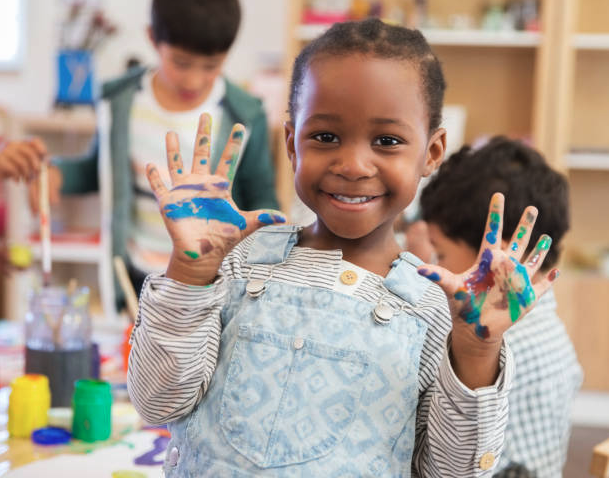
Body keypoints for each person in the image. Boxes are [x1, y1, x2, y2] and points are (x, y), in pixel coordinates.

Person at [128, 19, 559, 476]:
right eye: (326, 137)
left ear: (431, 153)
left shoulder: (435, 309)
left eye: (387, 141)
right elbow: (157, 401)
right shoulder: (237, 262)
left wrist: (474, 351)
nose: (353, 165)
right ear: (292, 143)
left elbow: (455, 472)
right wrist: (189, 276)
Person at [31, 0, 279, 299]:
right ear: (152, 38)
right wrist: (57, 173)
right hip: (137, 276)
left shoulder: (246, 115)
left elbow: (262, 196)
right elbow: (99, 170)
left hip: (211, 280)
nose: (193, 79)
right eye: (181, 63)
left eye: (211, 66)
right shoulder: (119, 102)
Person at [418, 137, 583, 478]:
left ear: (498, 260)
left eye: (442, 253)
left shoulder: (491, 344)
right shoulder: (551, 328)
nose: (437, 263)